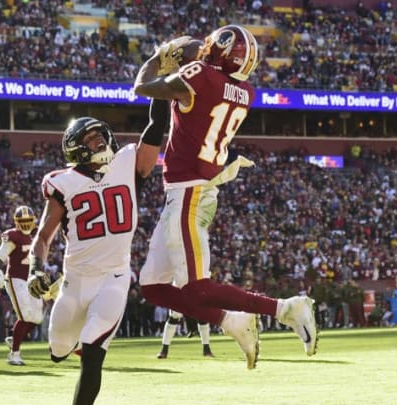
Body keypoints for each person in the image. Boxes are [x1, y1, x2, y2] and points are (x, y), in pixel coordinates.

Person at [133, 25, 317, 370]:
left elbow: (143, 87)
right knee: (153, 288)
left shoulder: (201, 75)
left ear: (221, 50)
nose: (204, 48)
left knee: (197, 289)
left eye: (211, 45)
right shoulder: (243, 90)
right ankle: (232, 321)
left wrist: (158, 57)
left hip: (189, 192)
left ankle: (285, 308)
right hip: (190, 190)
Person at [26, 101, 167, 405]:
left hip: (113, 278)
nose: (99, 140)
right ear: (76, 148)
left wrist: (161, 88)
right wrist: (36, 267)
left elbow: (157, 126)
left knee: (92, 351)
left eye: (100, 134)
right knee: (58, 351)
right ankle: (72, 341)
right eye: (90, 139)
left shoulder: (128, 162)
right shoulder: (62, 182)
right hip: (75, 281)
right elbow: (44, 235)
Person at [0, 205, 40, 366]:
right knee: (25, 315)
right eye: (23, 221)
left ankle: (14, 339)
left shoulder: (35, 235)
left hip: (30, 279)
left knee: (37, 317)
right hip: (15, 279)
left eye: (28, 220)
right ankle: (14, 354)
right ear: (17, 222)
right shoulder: (13, 236)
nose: (26, 224)